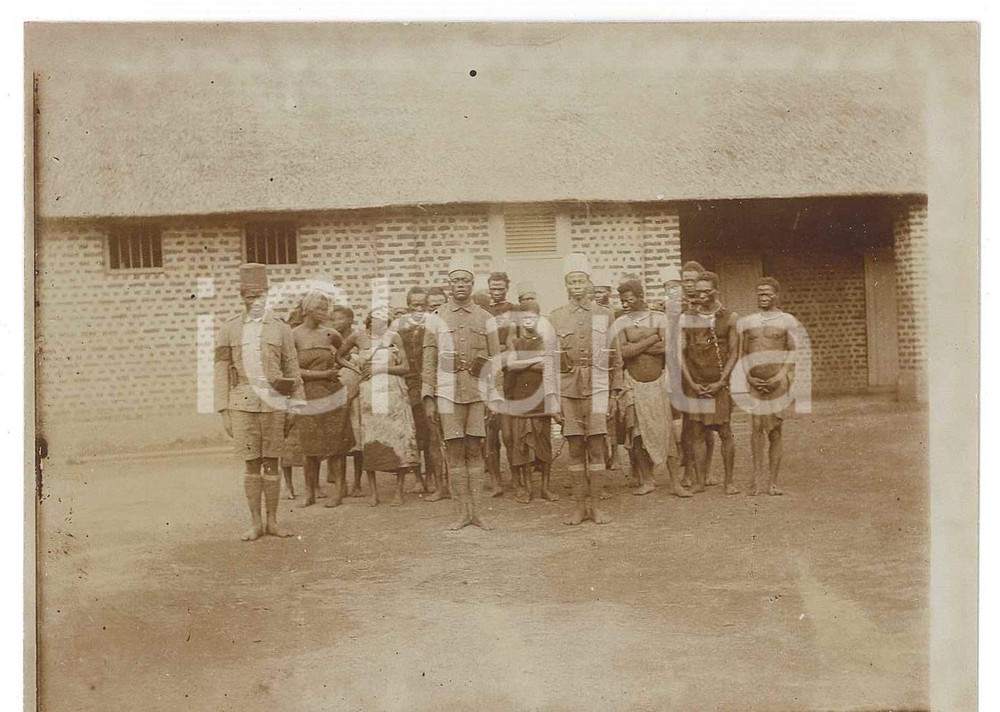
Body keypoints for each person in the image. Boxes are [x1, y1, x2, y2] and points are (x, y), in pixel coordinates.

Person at [214, 263, 303, 541]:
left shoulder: (281, 329)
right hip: (242, 405)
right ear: (242, 296)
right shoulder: (228, 330)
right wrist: (224, 411)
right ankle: (256, 523)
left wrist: (297, 403)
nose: (255, 301)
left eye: (260, 295)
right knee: (251, 464)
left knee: (272, 462)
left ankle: (273, 521)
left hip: (274, 404)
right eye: (249, 296)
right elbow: (220, 372)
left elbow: (292, 366)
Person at [422, 253, 503, 530]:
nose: (460, 285)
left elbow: (495, 360)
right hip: (446, 394)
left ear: (472, 284)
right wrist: (429, 397)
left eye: (465, 281)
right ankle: (461, 513)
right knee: (454, 451)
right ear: (449, 284)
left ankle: (477, 512)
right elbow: (429, 359)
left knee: (475, 449)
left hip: (477, 394)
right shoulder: (435, 318)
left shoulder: (486, 317)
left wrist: (494, 397)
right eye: (455, 280)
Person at [550, 253, 620, 525]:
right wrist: (553, 400)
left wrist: (616, 392)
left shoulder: (604, 315)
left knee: (597, 447)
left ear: (589, 283)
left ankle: (597, 506)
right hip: (568, 390)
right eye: (572, 281)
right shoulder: (556, 317)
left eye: (581, 280)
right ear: (567, 285)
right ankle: (580, 507)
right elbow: (551, 360)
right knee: (576, 448)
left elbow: (616, 355)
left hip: (599, 387)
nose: (577, 285)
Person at [614, 279, 691, 498]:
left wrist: (638, 346)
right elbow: (624, 353)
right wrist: (652, 338)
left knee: (666, 432)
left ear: (640, 297)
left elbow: (666, 347)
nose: (626, 304)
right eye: (622, 301)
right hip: (633, 386)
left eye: (629, 299)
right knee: (637, 435)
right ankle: (647, 480)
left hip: (658, 384)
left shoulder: (659, 318)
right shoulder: (621, 322)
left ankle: (675, 483)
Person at [337, 305, 419, 506]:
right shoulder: (358, 337)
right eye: (376, 319)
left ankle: (398, 492)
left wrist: (381, 368)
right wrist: (355, 369)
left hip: (393, 395)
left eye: (385, 320)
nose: (380, 323)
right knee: (371, 441)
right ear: (369, 319)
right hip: (369, 395)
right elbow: (339, 356)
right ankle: (374, 493)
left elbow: (405, 367)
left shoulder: (394, 337)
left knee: (397, 440)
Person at [292, 291, 355, 508]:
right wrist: (320, 374)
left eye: (326, 308)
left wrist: (337, 367)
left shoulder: (331, 334)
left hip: (331, 394)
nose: (324, 313)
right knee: (309, 447)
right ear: (307, 310)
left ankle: (338, 491)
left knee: (335, 445)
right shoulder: (294, 335)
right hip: (306, 395)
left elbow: (344, 354)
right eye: (320, 308)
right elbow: (292, 369)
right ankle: (309, 492)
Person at [680, 270, 740, 495]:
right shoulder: (688, 318)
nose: (702, 295)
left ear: (716, 290)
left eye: (707, 290)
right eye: (699, 291)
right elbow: (681, 353)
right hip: (696, 384)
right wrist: (691, 383)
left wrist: (721, 381)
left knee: (724, 432)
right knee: (696, 432)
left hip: (718, 384)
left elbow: (734, 353)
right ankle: (699, 481)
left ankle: (729, 482)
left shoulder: (730, 318)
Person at [738, 277, 797, 496]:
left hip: (777, 383)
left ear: (776, 295)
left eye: (767, 293)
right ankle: (756, 479)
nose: (763, 297)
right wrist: (749, 378)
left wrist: (780, 376)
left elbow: (792, 352)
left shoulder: (787, 320)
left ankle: (772, 482)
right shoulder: (748, 322)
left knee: (775, 432)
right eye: (760, 293)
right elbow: (743, 354)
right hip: (755, 383)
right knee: (755, 429)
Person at [505, 303, 561, 503]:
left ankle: (545, 488)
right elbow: (511, 366)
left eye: (532, 318)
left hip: (541, 397)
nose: (528, 321)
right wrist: (534, 360)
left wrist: (524, 363)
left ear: (538, 319)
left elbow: (549, 366)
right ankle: (528, 489)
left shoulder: (545, 341)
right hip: (521, 398)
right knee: (523, 446)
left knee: (543, 444)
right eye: (524, 318)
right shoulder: (515, 342)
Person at [396, 285, 448, 501]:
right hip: (410, 385)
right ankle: (420, 479)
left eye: (422, 305)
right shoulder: (400, 330)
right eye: (414, 305)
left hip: (435, 385)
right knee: (416, 435)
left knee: (435, 436)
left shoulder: (436, 327)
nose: (418, 309)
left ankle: (440, 484)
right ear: (408, 307)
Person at [678, 260, 715, 487]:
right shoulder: (677, 308)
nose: (689, 286)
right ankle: (689, 471)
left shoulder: (710, 308)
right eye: (685, 281)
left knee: (707, 426)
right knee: (688, 427)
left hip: (706, 373)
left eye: (693, 281)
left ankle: (706, 470)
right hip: (684, 373)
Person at [484, 271, 517, 497]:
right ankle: (495, 480)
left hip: (509, 375)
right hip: (485, 375)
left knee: (509, 433)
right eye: (492, 287)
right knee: (489, 433)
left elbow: (513, 345)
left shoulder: (514, 310)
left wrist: (497, 350)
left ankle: (515, 477)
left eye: (500, 287)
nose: (496, 291)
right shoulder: (481, 310)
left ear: (507, 287)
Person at [330, 304, 365, 498]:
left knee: (358, 439)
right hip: (337, 393)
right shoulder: (329, 338)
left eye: (338, 319)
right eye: (332, 319)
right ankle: (340, 483)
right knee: (338, 440)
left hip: (357, 394)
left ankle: (358, 483)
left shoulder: (359, 338)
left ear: (350, 320)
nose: (334, 323)